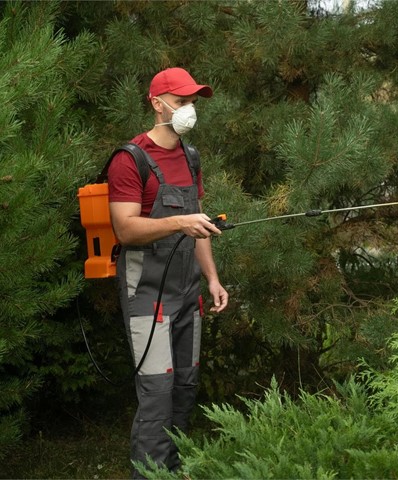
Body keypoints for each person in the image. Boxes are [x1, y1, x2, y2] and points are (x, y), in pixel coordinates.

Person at [108, 67, 228, 477]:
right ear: (157, 104)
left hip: (188, 295)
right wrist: (179, 222)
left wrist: (211, 278)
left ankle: (173, 472)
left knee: (183, 391)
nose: (189, 110)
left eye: (193, 102)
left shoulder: (191, 158)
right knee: (157, 396)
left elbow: (199, 226)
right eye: (181, 102)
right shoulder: (131, 159)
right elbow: (125, 229)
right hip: (147, 297)